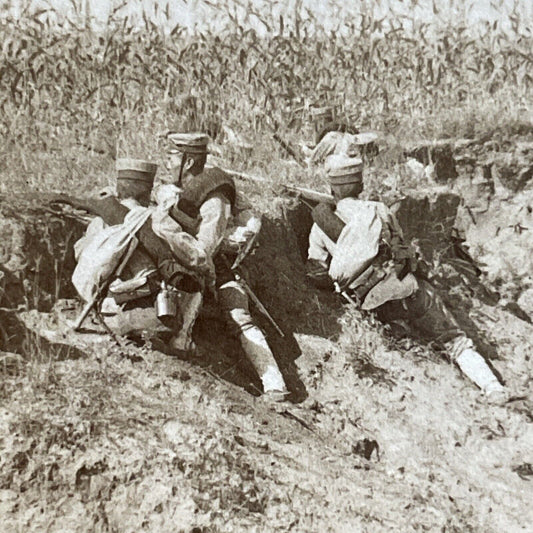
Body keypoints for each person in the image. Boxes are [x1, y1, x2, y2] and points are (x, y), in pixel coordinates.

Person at [306, 154, 507, 402]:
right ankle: (492, 386)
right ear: (360, 185)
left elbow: (316, 271)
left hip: (372, 302)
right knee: (454, 339)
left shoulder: (318, 227)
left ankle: (401, 332)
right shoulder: (378, 209)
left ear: (331, 186)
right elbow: (400, 246)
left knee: (397, 324)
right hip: (405, 286)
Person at [163, 132, 289, 401]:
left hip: (219, 266)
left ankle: (274, 384)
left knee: (238, 315)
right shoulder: (178, 188)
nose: (167, 164)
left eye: (171, 157)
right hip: (193, 257)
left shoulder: (214, 200)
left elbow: (204, 252)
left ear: (187, 163)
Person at [72, 158, 212, 346]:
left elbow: (81, 255)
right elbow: (195, 257)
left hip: (104, 313)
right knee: (197, 276)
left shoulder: (98, 221)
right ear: (147, 193)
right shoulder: (155, 219)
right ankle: (181, 340)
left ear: (119, 189)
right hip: (152, 318)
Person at [301, 105, 378, 168]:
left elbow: (313, 160)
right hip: (345, 145)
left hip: (343, 145)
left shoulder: (331, 137)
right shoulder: (332, 138)